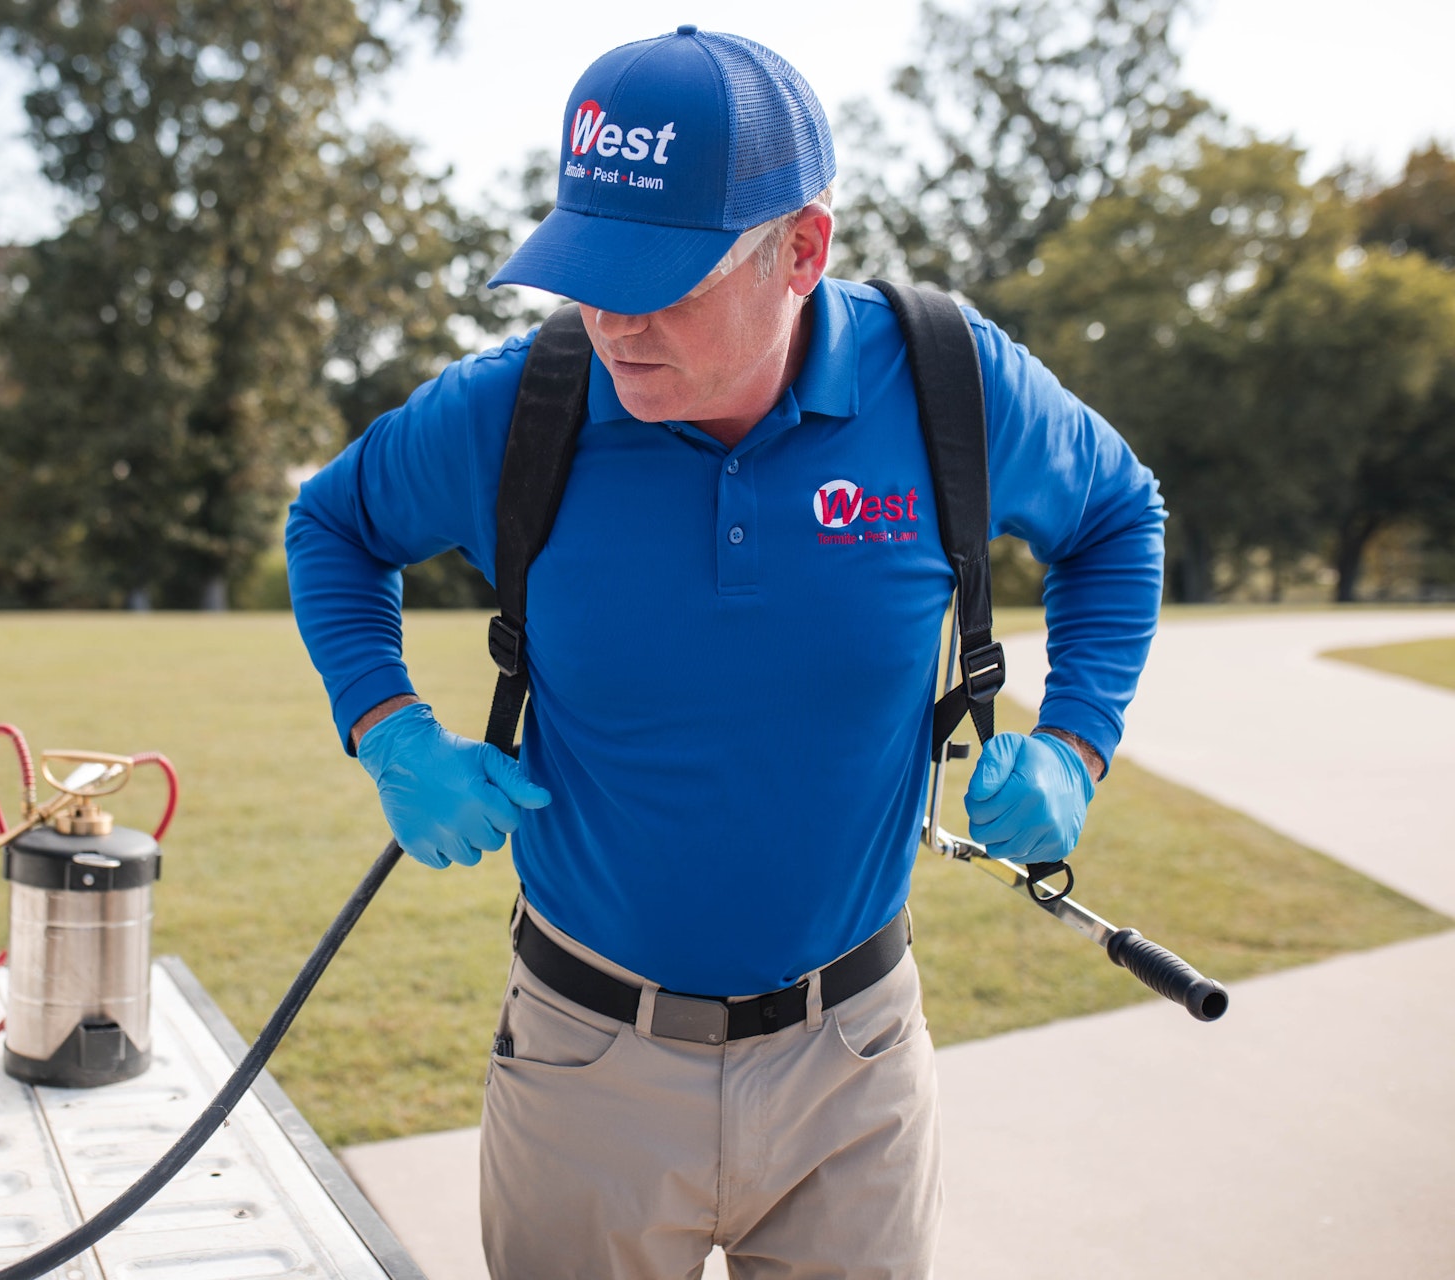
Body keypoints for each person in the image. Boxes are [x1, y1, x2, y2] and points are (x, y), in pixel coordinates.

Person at [285, 25, 1164, 1280]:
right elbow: (332, 522)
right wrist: (386, 727)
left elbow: (1119, 516)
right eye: (589, 273)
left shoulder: (951, 386)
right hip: (584, 1063)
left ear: (802, 249)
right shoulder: (511, 408)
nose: (612, 322)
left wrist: (1077, 739)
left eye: (661, 282)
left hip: (854, 1068)